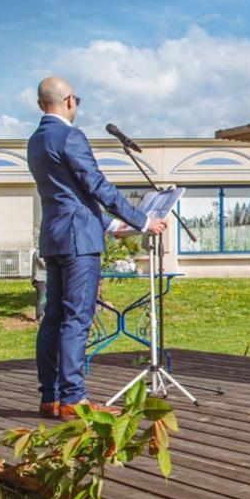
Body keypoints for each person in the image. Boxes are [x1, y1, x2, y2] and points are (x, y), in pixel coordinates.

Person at [27, 77, 167, 418]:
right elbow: (97, 186)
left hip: (55, 237)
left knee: (53, 318)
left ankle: (51, 397)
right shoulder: (70, 136)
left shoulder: (35, 140)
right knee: (77, 317)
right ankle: (74, 399)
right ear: (70, 101)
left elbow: (68, 195)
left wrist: (110, 225)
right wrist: (142, 221)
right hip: (79, 242)